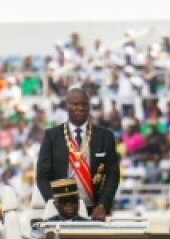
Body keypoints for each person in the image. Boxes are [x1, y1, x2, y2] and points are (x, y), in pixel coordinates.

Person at [36, 86, 120, 220]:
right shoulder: (52, 136)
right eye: (75, 104)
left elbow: (113, 174)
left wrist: (103, 205)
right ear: (66, 106)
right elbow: (42, 176)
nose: (80, 108)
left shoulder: (105, 136)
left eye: (84, 104)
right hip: (61, 210)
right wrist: (53, 203)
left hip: (94, 210)